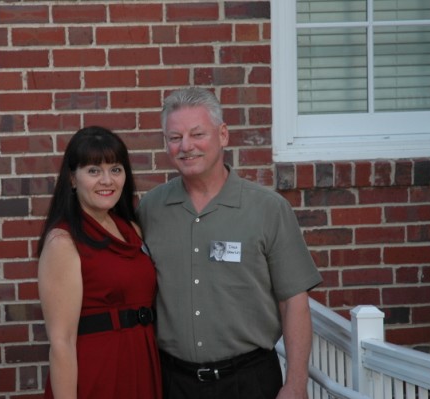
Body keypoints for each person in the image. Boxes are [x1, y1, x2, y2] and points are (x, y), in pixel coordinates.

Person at [137, 87, 322, 399]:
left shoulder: (268, 209)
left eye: (198, 134)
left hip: (249, 381)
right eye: (174, 137)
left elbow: (294, 302)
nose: (186, 146)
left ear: (223, 135)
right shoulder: (150, 210)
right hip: (174, 383)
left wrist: (296, 383)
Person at [37, 126, 162, 399]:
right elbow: (61, 342)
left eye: (115, 169)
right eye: (94, 171)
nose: (107, 180)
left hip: (141, 363)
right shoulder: (63, 242)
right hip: (98, 371)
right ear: (72, 179)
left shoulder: (131, 228)